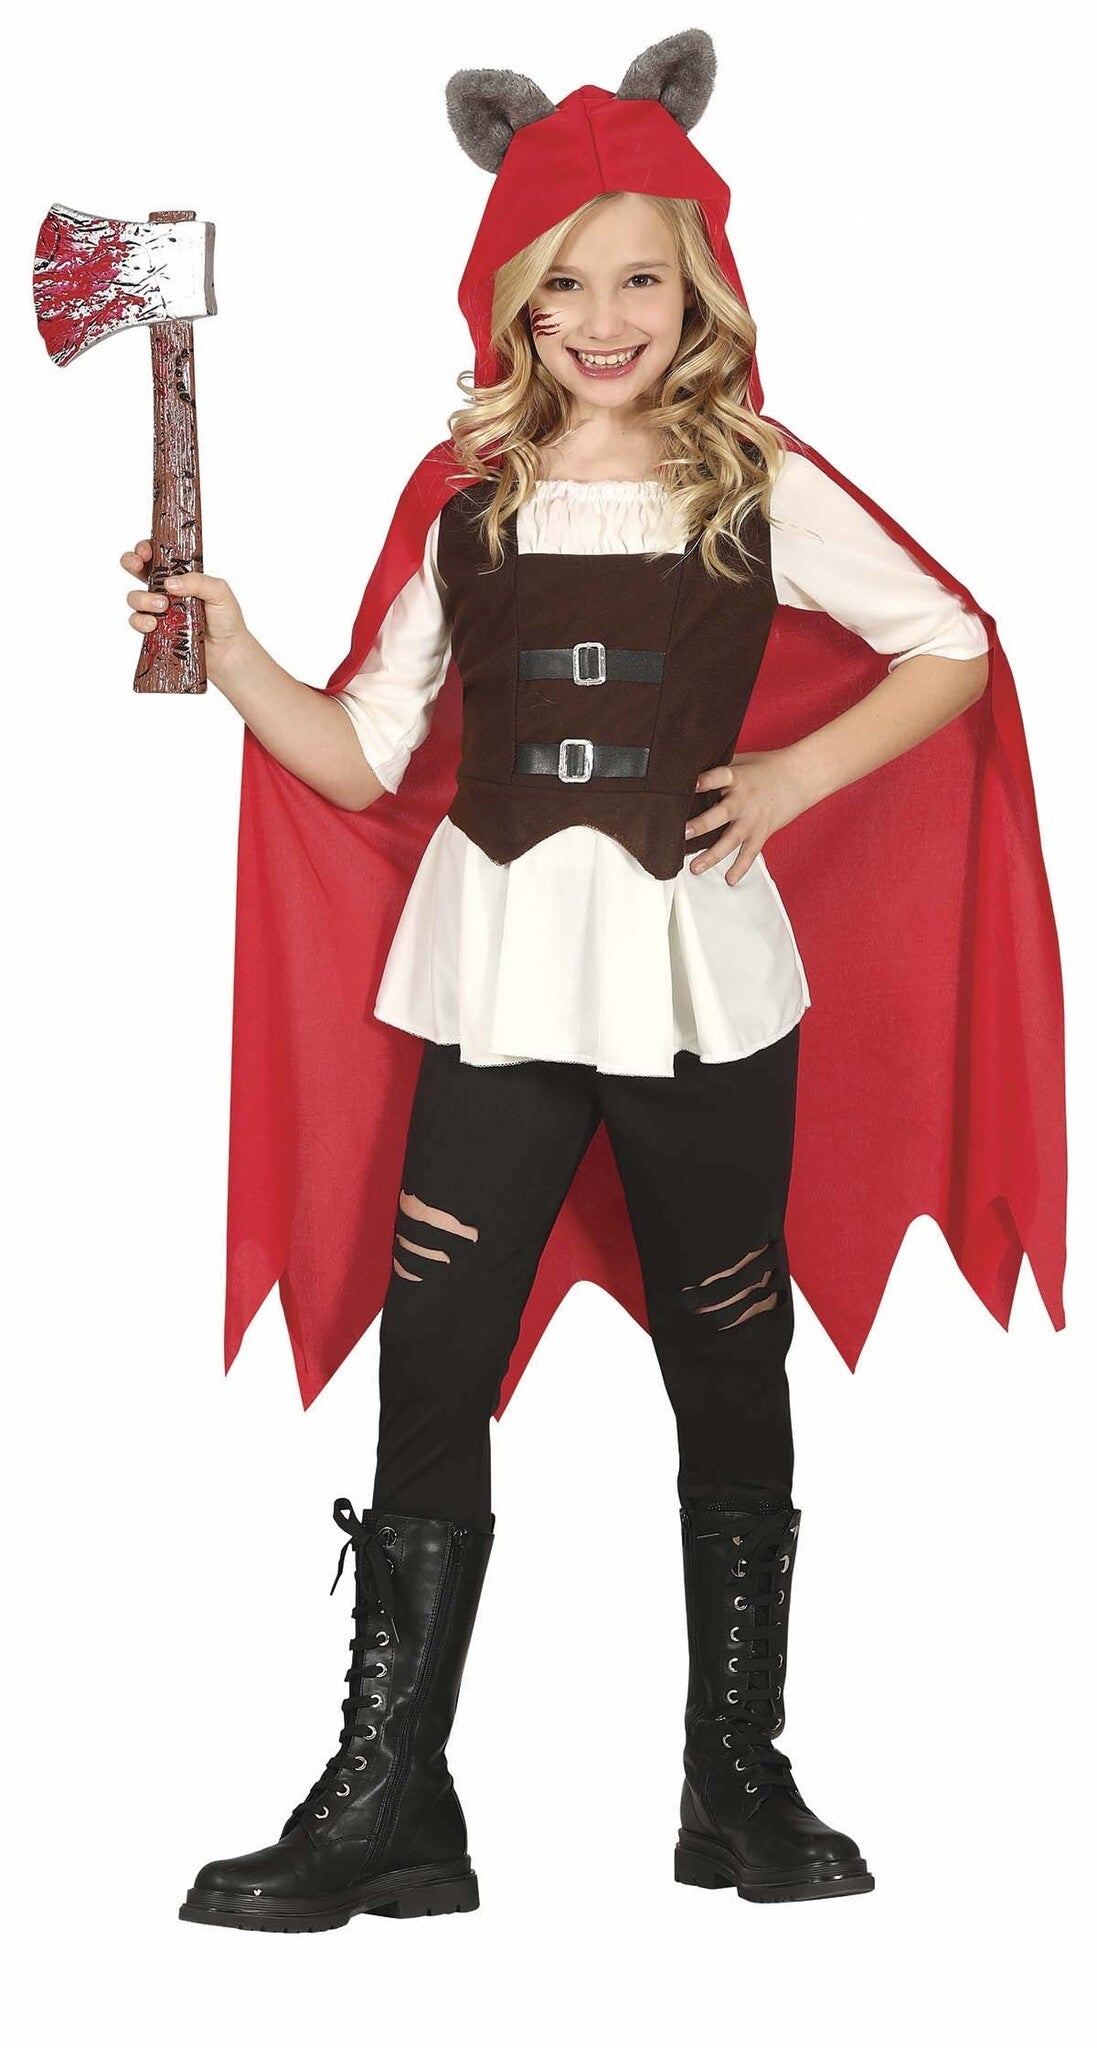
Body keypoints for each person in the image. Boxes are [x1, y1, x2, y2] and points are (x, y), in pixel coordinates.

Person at [120, 32, 1065, 1929]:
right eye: (564, 283)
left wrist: (789, 777)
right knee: (432, 1358)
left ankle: (737, 1779)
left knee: (727, 1353)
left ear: (699, 285)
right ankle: (395, 1797)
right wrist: (225, 647)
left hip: (698, 986)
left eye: (642, 277)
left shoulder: (755, 480)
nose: (605, 318)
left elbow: (950, 642)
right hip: (496, 984)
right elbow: (362, 755)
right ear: (510, 300)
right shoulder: (462, 498)